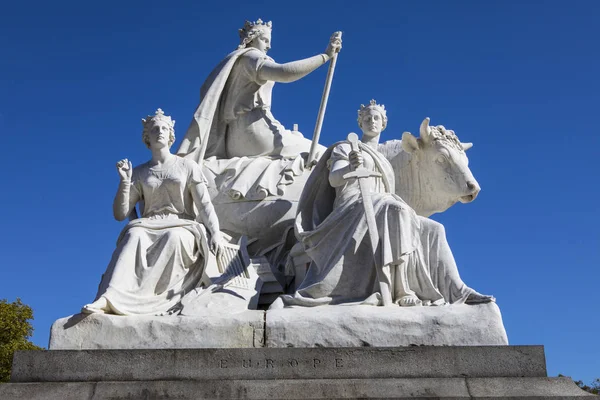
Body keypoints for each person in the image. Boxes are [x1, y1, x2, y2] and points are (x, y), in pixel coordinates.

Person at [276, 100, 494, 307]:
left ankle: (458, 291)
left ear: (383, 124)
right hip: (351, 206)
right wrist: (350, 167)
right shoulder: (345, 148)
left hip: (380, 206)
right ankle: (401, 289)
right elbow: (334, 179)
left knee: (434, 229)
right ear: (360, 123)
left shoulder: (384, 161)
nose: (372, 121)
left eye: (377, 118)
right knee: (397, 208)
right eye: (368, 118)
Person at [82, 109, 224, 315]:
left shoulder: (187, 166)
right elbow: (120, 214)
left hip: (182, 224)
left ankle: (159, 301)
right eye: (154, 129)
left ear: (171, 134)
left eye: (164, 128)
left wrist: (216, 232)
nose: (160, 132)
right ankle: (110, 298)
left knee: (174, 237)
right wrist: (124, 182)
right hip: (147, 224)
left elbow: (204, 204)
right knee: (133, 235)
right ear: (146, 136)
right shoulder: (139, 172)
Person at [177, 18, 341, 162]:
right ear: (251, 39)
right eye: (264, 40)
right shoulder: (251, 57)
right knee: (325, 154)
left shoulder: (234, 62)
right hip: (254, 133)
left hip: (236, 139)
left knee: (306, 144)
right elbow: (284, 72)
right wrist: (325, 56)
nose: (269, 46)